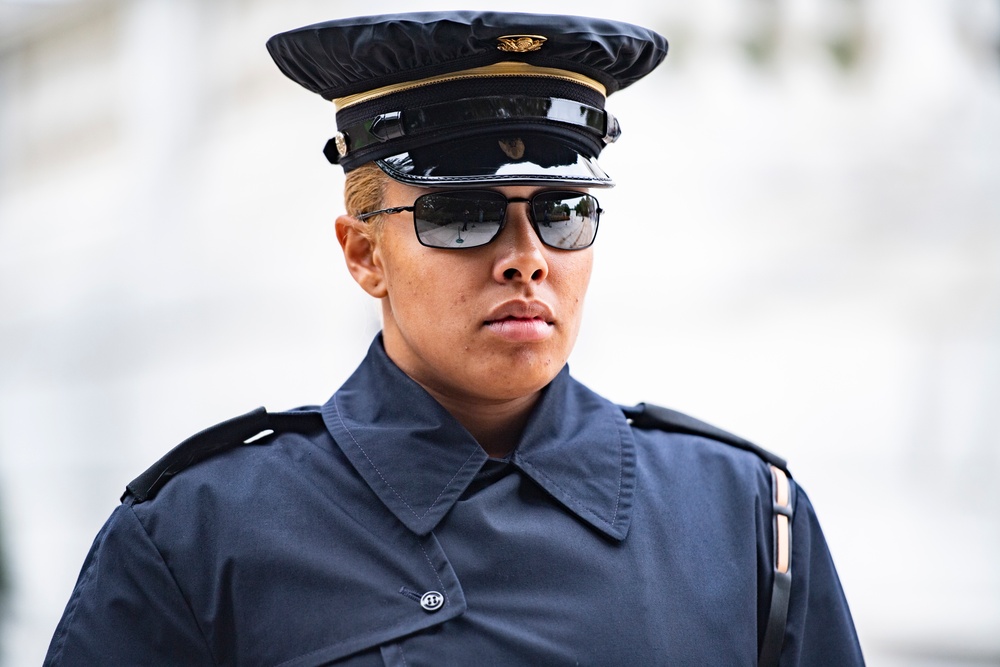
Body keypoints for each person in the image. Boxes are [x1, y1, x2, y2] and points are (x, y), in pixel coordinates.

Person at [44, 11, 864, 666]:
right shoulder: (197, 536)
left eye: (561, 211)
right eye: (461, 213)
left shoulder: (746, 516)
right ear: (365, 253)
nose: (526, 259)